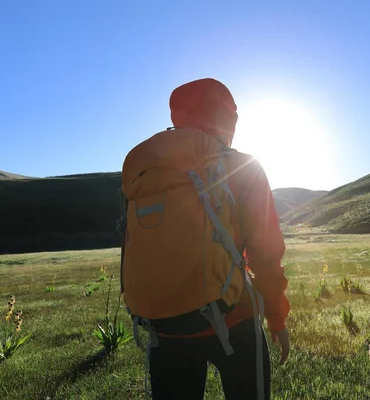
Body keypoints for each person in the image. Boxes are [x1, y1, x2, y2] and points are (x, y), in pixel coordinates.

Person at [120, 78, 290, 399]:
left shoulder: (149, 168)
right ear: (228, 119)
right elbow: (265, 252)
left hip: (167, 326)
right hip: (234, 318)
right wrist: (276, 316)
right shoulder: (243, 167)